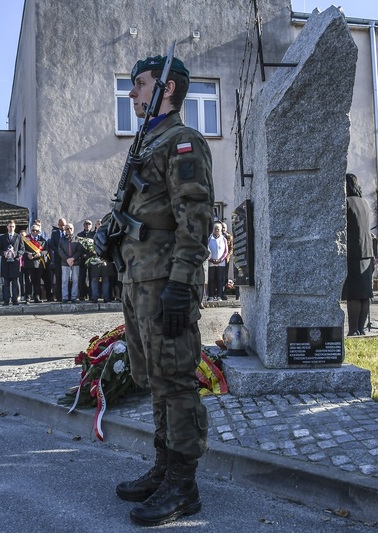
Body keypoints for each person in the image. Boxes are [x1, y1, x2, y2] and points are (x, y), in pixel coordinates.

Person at [114, 54, 213, 526]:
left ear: (166, 89)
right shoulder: (145, 142)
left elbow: (195, 221)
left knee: (176, 380)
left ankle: (184, 486)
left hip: (165, 283)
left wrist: (181, 284)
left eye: (140, 84)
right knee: (153, 379)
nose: (132, 93)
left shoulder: (183, 143)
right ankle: (164, 467)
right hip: (139, 280)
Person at [342, 173, 375, 336]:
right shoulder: (365, 203)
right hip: (367, 251)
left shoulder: (346, 203)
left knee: (354, 294)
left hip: (354, 251)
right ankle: (360, 329)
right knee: (364, 294)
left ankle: (353, 329)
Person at [0, 220, 24, 306]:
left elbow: (22, 249)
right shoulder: (2, 237)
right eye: (10, 226)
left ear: (15, 227)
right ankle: (6, 300)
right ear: (7, 227)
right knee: (6, 283)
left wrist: (16, 254)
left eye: (13, 226)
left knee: (15, 282)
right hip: (5, 263)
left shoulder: (18, 237)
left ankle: (15, 300)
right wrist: (4, 253)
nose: (11, 228)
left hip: (15, 263)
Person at [58, 223, 84, 303]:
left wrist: (73, 258)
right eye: (67, 229)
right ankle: (65, 297)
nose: (69, 230)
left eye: (70, 228)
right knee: (65, 280)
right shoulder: (62, 239)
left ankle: (74, 297)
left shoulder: (77, 239)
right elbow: (60, 250)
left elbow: (79, 251)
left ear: (73, 229)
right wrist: (67, 259)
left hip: (75, 263)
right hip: (65, 263)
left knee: (75, 280)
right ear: (65, 230)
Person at [22, 225, 47, 303]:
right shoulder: (25, 239)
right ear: (30, 230)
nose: (34, 232)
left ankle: (36, 297)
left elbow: (46, 250)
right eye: (33, 230)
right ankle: (28, 297)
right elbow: (22, 249)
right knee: (28, 281)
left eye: (36, 231)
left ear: (39, 231)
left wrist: (40, 254)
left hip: (38, 263)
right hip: (28, 263)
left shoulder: (42, 240)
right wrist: (27, 254)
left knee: (37, 281)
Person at [206, 224, 228, 301]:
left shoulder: (224, 239)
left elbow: (226, 251)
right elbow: (206, 250)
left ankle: (219, 296)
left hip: (221, 263)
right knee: (211, 279)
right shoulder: (209, 238)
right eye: (215, 228)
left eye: (218, 229)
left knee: (220, 279)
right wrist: (211, 259)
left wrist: (221, 259)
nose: (216, 230)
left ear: (221, 229)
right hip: (211, 262)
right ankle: (211, 296)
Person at [77, 220, 96, 301]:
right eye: (86, 224)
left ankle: (91, 295)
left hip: (91, 259)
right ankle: (82, 295)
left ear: (91, 226)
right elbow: (78, 247)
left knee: (92, 278)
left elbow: (95, 247)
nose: (87, 225)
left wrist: (89, 255)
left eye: (89, 224)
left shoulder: (94, 234)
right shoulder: (79, 235)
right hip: (82, 260)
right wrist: (82, 255)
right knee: (82, 278)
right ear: (83, 225)